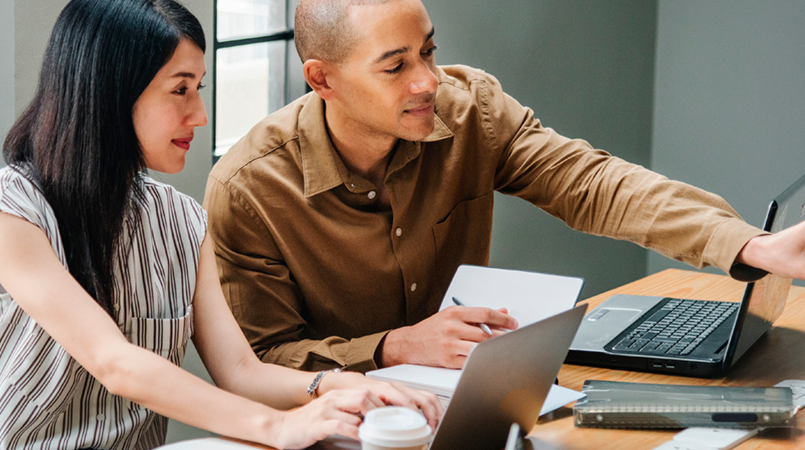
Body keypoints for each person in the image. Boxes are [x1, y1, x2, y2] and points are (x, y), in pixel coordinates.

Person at [0, 1, 441, 449]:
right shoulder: (4, 211)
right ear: (110, 94)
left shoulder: (181, 219)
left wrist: (337, 388)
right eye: (180, 91)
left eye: (199, 87)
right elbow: (113, 362)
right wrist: (279, 428)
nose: (200, 114)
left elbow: (242, 373)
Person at [203, 0, 805, 373]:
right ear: (322, 79)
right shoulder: (249, 188)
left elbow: (590, 182)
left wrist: (751, 246)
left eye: (429, 51)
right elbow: (261, 359)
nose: (427, 81)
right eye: (396, 65)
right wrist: (391, 348)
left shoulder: (472, 111)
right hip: (331, 424)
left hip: (471, 398)